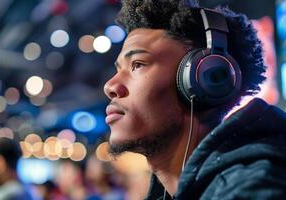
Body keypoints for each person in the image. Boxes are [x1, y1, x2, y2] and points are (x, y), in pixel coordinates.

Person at [103, 0, 286, 199]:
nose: (110, 87)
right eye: (118, 69)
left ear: (206, 78)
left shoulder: (251, 186)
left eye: (137, 64)